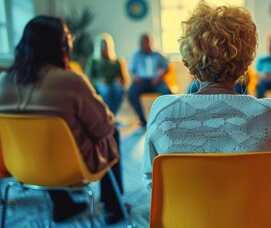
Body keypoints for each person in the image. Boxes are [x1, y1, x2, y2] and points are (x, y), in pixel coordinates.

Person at [142, 3, 271, 193]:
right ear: (246, 61)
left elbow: (152, 183)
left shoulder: (163, 111)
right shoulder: (269, 114)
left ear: (189, 59)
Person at [0, 16, 126, 225]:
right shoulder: (70, 81)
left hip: (21, 168)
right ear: (61, 44)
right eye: (68, 36)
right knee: (112, 133)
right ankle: (113, 208)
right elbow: (105, 126)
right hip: (69, 168)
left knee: (38, 139)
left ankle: (63, 204)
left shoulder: (3, 82)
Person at [127, 34, 171, 129]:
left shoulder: (158, 55)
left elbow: (166, 68)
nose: (143, 44)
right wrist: (135, 77)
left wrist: (159, 76)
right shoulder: (136, 55)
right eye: (141, 43)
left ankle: (168, 119)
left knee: (167, 92)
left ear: (150, 42)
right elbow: (131, 70)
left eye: (145, 42)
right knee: (131, 93)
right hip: (142, 81)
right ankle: (143, 122)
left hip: (156, 81)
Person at [86, 33, 130, 115]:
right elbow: (88, 78)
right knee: (106, 90)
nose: (105, 48)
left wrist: (120, 80)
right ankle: (110, 116)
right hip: (101, 84)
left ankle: (112, 115)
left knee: (118, 89)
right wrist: (99, 80)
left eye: (106, 45)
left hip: (114, 84)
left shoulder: (117, 61)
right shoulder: (93, 60)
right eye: (103, 46)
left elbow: (125, 78)